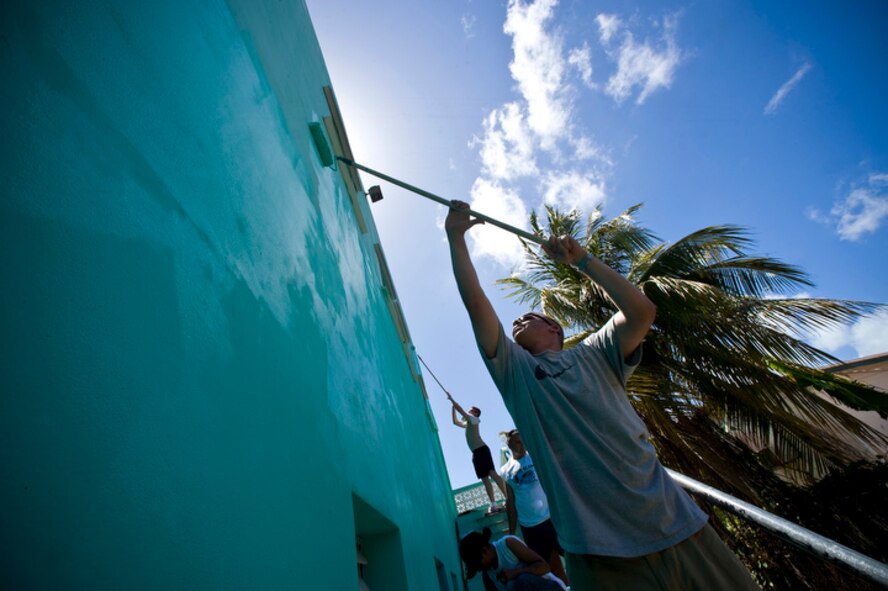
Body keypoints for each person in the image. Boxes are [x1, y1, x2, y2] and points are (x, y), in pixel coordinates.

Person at [446, 200, 759, 590]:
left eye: (530, 317)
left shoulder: (597, 350)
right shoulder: (517, 374)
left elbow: (641, 311)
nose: (516, 321)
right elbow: (476, 304)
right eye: (514, 323)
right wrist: (455, 237)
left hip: (675, 524)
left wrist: (584, 261)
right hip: (597, 556)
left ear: (555, 329)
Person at [500, 430, 568, 587]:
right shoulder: (505, 471)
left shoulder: (534, 456)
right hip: (531, 528)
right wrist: (511, 533)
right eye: (517, 442)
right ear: (509, 445)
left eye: (523, 441)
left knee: (573, 557)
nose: (521, 445)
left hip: (551, 518)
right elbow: (510, 502)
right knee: (549, 568)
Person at [449, 393, 508, 513]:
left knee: (492, 474)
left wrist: (453, 401)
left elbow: (462, 412)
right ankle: (493, 504)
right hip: (475, 453)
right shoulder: (467, 424)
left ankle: (509, 497)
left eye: (471, 410)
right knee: (485, 479)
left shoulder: (475, 420)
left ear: (475, 413)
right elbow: (455, 422)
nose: (468, 411)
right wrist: (453, 407)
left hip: (482, 450)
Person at [459, 527, 568, 591]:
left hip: (551, 587)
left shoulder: (507, 545)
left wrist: (516, 572)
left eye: (478, 563)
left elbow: (544, 566)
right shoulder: (487, 575)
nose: (479, 568)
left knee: (522, 581)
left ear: (485, 550)